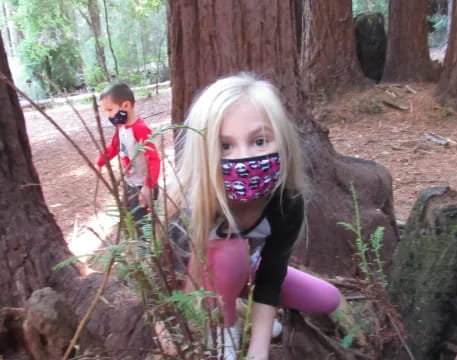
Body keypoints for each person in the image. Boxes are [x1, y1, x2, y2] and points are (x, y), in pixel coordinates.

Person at [168, 73, 341, 360]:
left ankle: (247, 310)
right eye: (225, 146)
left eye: (260, 141)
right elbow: (187, 281)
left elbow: (272, 276)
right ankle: (226, 333)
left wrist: (258, 350)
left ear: (281, 141)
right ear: (205, 150)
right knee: (229, 251)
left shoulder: (287, 201)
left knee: (327, 299)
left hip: (252, 270)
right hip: (204, 282)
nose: (243, 157)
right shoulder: (190, 204)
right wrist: (209, 324)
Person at [96, 83, 160, 228]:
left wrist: (147, 187)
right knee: (129, 219)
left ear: (126, 106)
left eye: (110, 110)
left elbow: (154, 159)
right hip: (130, 184)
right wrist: (100, 162)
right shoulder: (121, 127)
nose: (109, 115)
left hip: (143, 186)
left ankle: (148, 249)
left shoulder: (141, 129)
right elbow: (114, 146)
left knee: (143, 225)